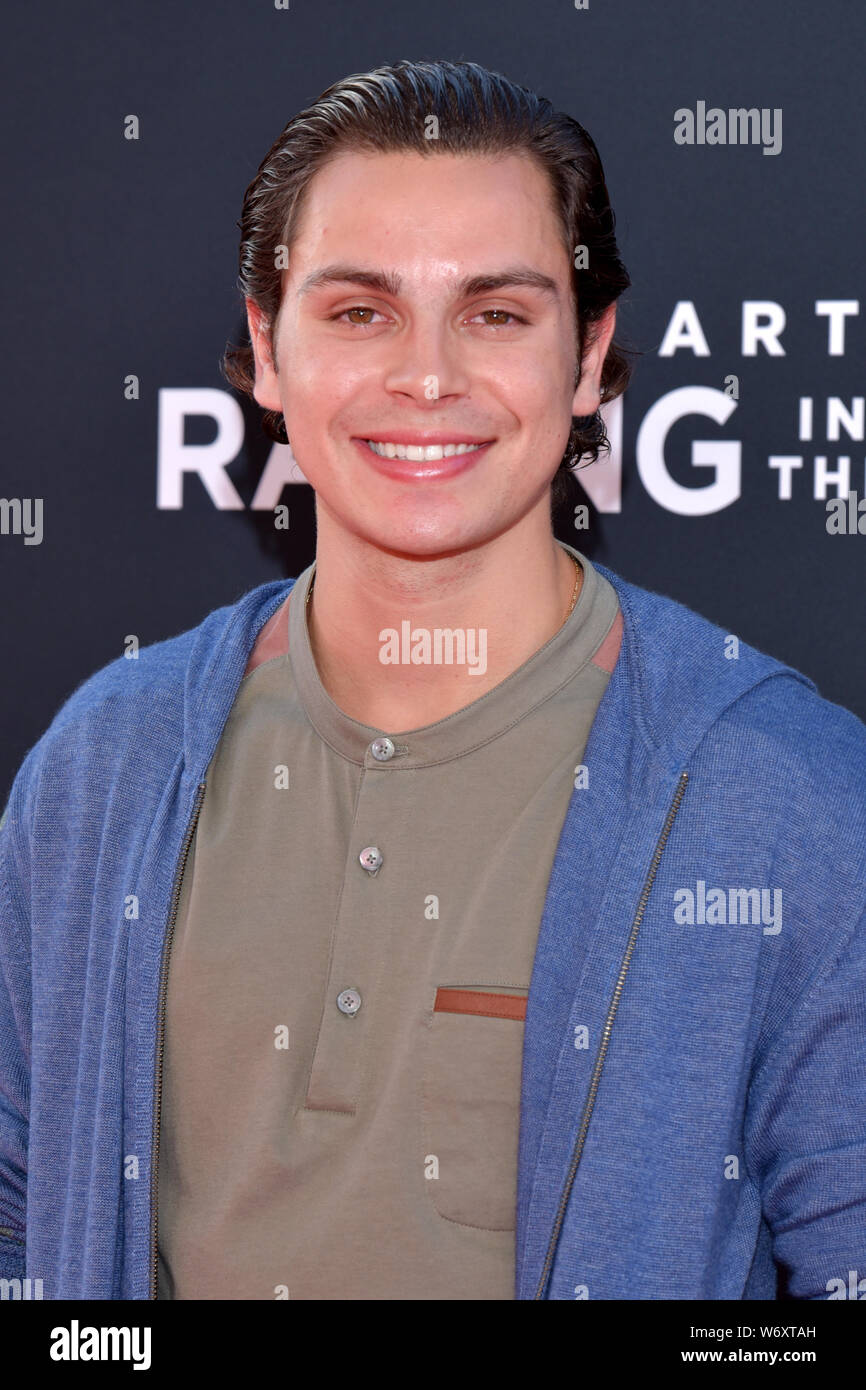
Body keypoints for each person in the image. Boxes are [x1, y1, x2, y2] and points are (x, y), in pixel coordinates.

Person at [1, 59, 864, 1302]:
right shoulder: (104, 765)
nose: (425, 376)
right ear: (266, 348)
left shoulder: (783, 797)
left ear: (587, 357)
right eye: (358, 311)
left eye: (495, 314)